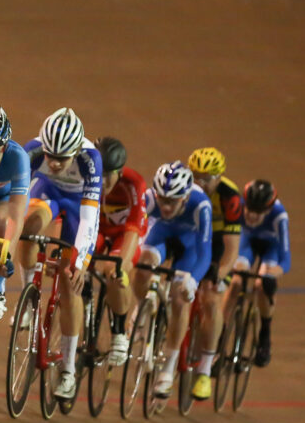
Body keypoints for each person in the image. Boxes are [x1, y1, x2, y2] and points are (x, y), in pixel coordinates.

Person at [22, 107, 102, 400]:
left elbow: (90, 219)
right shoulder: (32, 151)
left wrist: (81, 261)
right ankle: (29, 291)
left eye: (61, 158)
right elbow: (15, 200)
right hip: (48, 194)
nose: (54, 163)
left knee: (70, 283)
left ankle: (68, 369)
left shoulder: (91, 159)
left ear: (76, 151)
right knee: (29, 226)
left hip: (79, 205)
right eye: (50, 156)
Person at [133, 161, 212, 398]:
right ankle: (142, 306)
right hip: (161, 235)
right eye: (162, 200)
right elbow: (136, 233)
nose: (165, 206)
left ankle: (168, 368)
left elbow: (204, 250)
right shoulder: (148, 198)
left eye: (172, 201)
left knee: (179, 299)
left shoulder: (201, 205)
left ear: (185, 198)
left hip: (189, 246)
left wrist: (194, 280)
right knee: (144, 264)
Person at [186, 146, 242, 400]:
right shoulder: (184, 187)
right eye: (195, 175)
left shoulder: (230, 197)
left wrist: (218, 274)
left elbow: (231, 249)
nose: (200, 183)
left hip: (220, 245)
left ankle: (205, 371)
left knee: (211, 298)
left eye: (206, 179)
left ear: (219, 177)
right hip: (196, 238)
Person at [94, 137, 147, 367]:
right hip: (98, 228)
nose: (103, 181)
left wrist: (120, 265)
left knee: (114, 271)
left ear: (120, 171)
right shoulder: (87, 174)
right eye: (100, 173)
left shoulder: (133, 184)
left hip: (124, 233)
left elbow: (134, 229)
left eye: (108, 175)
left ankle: (119, 331)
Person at [0, 104, 32, 323]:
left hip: (3, 201)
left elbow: (16, 214)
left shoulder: (18, 158)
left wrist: (6, 254)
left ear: (4, 148)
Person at [233, 179, 291, 368]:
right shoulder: (238, 207)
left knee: (261, 285)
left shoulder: (279, 216)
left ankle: (265, 332)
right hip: (247, 243)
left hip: (270, 249)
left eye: (258, 213)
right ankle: (221, 334)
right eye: (249, 209)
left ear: (268, 210)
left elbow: (285, 258)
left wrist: (275, 272)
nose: (251, 215)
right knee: (235, 281)